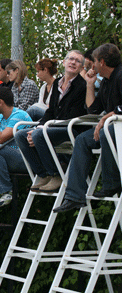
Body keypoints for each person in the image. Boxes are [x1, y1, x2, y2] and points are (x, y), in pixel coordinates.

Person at [53, 43, 122, 213]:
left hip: (115, 128)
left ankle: (112, 184)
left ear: (102, 62)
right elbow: (94, 109)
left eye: (94, 61)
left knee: (107, 132)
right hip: (112, 127)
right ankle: (74, 196)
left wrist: (108, 117)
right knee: (82, 140)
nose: (92, 65)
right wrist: (90, 84)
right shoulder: (106, 81)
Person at [15, 50, 87, 193]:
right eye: (71, 59)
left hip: (72, 128)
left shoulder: (82, 86)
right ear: (64, 62)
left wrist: (43, 129)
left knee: (39, 135)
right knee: (21, 135)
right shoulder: (56, 84)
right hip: (53, 126)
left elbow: (73, 114)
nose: (73, 62)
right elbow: (50, 111)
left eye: (77, 61)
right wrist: (39, 127)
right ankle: (43, 174)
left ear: (81, 67)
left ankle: (56, 174)